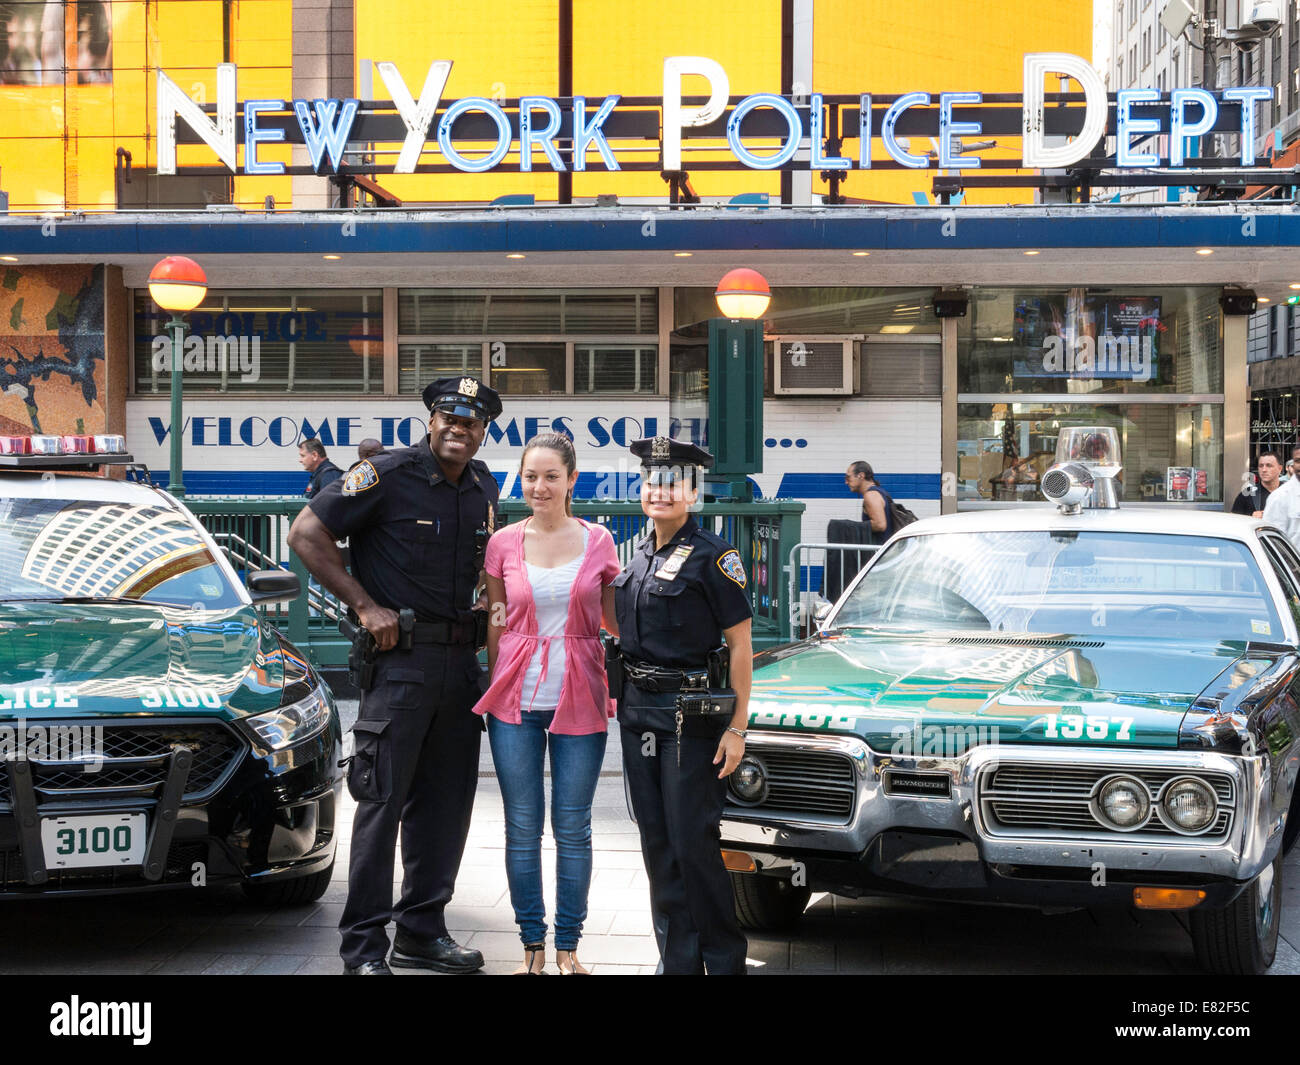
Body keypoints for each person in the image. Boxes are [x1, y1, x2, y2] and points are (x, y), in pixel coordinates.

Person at [286, 376, 502, 975]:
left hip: (461, 667)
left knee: (446, 806)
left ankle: (422, 932)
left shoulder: (483, 485)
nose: (460, 428)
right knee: (381, 804)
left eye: (473, 421)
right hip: (400, 664)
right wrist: (363, 604)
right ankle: (363, 950)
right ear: (429, 421)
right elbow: (305, 534)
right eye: (449, 417)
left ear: (485, 431)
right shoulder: (386, 474)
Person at [475, 433, 621, 975]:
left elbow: (612, 620)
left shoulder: (600, 541)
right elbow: (495, 618)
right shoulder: (503, 543)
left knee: (573, 825)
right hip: (515, 698)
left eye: (551, 476)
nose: (539, 487)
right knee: (521, 825)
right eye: (531, 476)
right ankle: (532, 944)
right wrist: (495, 682)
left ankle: (569, 945)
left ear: (571, 481)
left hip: (580, 691)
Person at [614, 435, 752, 975]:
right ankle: (676, 961)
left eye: (673, 482)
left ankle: (721, 961)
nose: (660, 491)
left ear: (694, 493)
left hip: (690, 717)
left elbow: (741, 647)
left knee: (693, 844)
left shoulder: (716, 557)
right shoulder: (639, 554)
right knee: (657, 843)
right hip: (639, 711)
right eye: (652, 481)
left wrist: (737, 728)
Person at [844, 460, 894, 544]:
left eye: (848, 477)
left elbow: (880, 525)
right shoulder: (879, 492)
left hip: (878, 552)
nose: (846, 482)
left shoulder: (871, 495)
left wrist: (850, 527)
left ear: (861, 476)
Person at [1232, 451, 1282, 517]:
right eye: (1261, 466)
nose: (1264, 470)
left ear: (1280, 468)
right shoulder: (1247, 494)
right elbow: (1234, 520)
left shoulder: (1290, 492)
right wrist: (1251, 516)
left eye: (1269, 465)